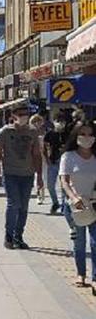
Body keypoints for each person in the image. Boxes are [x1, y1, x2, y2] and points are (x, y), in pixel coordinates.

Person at [0, 106, 44, 250]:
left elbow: (37, 155)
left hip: (27, 174)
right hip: (11, 173)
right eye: (20, 115)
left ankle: (18, 236)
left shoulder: (32, 132)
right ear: (14, 116)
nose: (24, 117)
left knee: (23, 207)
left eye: (26, 115)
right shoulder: (5, 132)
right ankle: (8, 236)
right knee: (13, 204)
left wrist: (39, 176)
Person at [59, 122, 96, 294]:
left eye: (90, 134)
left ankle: (95, 278)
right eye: (83, 134)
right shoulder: (69, 156)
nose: (87, 138)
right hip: (75, 206)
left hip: (93, 204)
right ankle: (81, 273)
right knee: (79, 242)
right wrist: (73, 198)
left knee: (95, 243)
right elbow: (64, 181)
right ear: (76, 135)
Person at [44, 113, 68, 214]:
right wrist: (46, 159)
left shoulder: (68, 134)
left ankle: (63, 206)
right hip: (53, 162)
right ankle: (55, 202)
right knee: (50, 185)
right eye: (58, 121)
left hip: (65, 163)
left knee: (64, 186)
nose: (60, 123)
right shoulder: (49, 134)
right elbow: (44, 147)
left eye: (62, 121)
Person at [30, 114, 47, 205]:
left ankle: (41, 194)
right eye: (34, 121)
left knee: (43, 176)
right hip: (33, 157)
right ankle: (38, 194)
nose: (37, 123)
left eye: (39, 121)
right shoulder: (29, 132)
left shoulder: (45, 132)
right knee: (36, 177)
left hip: (43, 157)